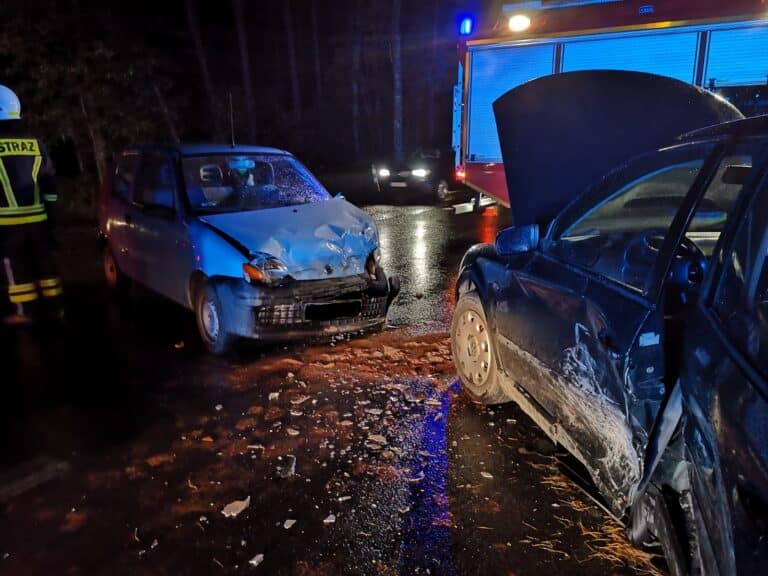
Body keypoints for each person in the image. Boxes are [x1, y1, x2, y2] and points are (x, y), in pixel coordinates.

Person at [0, 85, 63, 325]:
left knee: (15, 266)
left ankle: (25, 311)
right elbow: (49, 182)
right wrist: (51, 212)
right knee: (45, 263)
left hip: (7, 223)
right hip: (38, 218)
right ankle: (56, 309)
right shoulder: (35, 143)